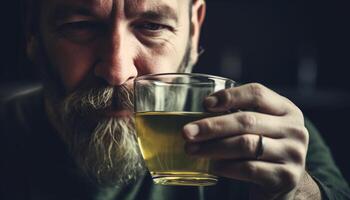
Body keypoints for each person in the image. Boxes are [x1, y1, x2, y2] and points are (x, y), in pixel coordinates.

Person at [1, 0, 349, 199]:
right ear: (32, 33)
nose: (118, 70)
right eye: (79, 25)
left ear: (194, 29)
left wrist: (297, 193)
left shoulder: (262, 133)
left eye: (152, 26)